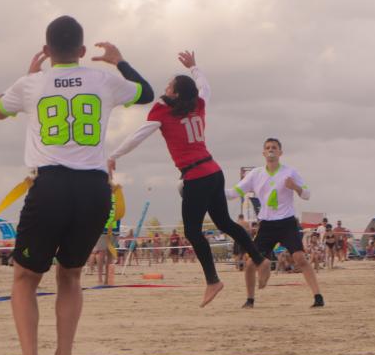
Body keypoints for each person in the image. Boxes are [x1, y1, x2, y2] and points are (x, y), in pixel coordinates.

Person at [0, 15, 153, 355]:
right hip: (93, 189)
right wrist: (119, 61)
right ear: (82, 50)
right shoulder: (104, 80)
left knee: (25, 277)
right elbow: (146, 91)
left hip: (50, 187)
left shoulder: (31, 83)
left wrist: (29, 76)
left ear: (47, 50)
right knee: (71, 275)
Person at [108, 50, 271, 307]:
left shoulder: (163, 112)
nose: (165, 88)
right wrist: (195, 67)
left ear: (175, 93)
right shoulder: (199, 104)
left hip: (196, 176)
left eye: (169, 86)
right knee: (225, 222)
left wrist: (113, 155)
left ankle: (213, 281)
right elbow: (206, 87)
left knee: (193, 232)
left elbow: (138, 136)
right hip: (214, 172)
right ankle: (260, 259)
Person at [228, 138, 324, 308]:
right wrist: (209, 192)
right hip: (266, 224)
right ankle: (250, 300)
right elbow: (234, 192)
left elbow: (307, 194)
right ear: (263, 153)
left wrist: (295, 187)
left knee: (300, 258)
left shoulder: (290, 172)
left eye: (274, 147)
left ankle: (318, 297)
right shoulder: (256, 174)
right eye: (268, 148)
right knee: (250, 263)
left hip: (287, 222)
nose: (271, 150)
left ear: (280, 152)